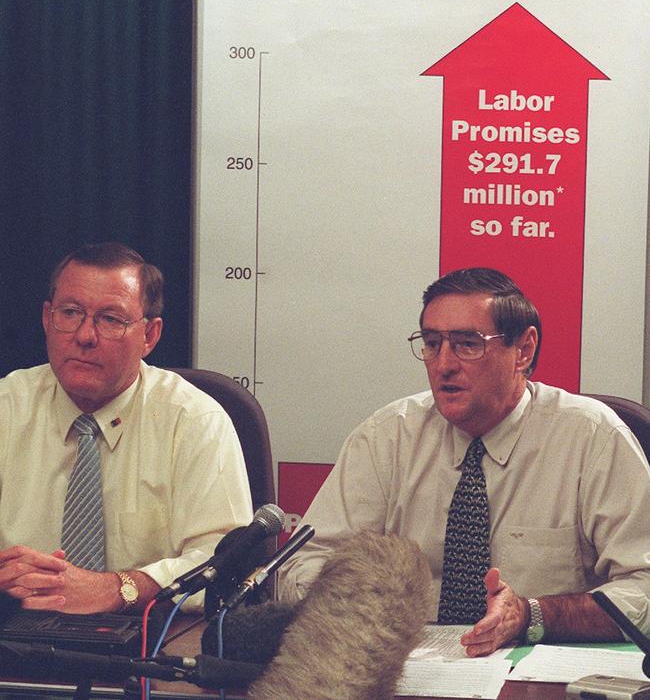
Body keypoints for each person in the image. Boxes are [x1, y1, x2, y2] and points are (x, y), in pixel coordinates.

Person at [278, 267, 650, 655]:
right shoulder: (388, 436)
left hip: (534, 674)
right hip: (403, 668)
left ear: (523, 350)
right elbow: (299, 564)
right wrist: (356, 599)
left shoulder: (591, 436)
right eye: (432, 343)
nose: (444, 364)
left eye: (467, 344)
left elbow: (644, 587)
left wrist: (532, 614)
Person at [0, 242, 253, 613]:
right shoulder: (7, 407)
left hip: (150, 640)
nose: (85, 336)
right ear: (46, 318)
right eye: (70, 313)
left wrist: (119, 588)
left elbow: (225, 563)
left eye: (110, 320)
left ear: (149, 336)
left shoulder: (195, 420)